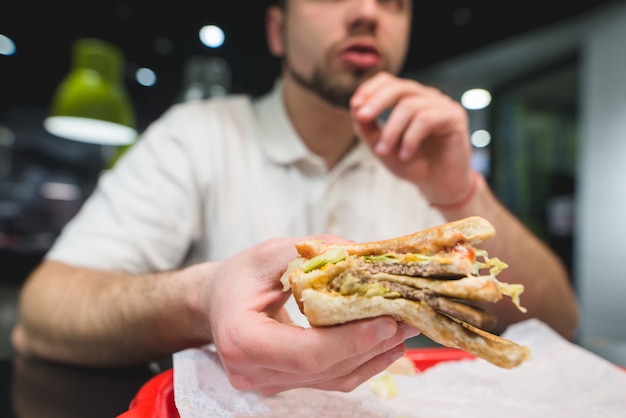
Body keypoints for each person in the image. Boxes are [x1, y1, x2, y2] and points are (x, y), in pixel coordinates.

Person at [11, 0, 579, 394]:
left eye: (394, 3)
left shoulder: (431, 166)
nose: (367, 13)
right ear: (278, 30)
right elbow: (40, 316)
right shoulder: (196, 136)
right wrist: (200, 300)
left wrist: (459, 192)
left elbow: (559, 323)